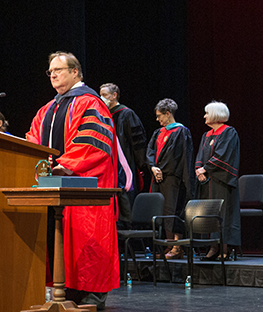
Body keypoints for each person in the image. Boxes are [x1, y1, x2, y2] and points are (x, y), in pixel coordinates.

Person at [26, 51, 118, 310]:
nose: (53, 74)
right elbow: (33, 140)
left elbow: (95, 142)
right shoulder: (48, 109)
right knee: (57, 237)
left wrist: (63, 166)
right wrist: (35, 164)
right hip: (52, 186)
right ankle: (62, 287)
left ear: (75, 72)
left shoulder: (90, 103)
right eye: (50, 71)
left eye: (59, 69)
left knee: (87, 239)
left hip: (85, 184)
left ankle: (93, 292)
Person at [147, 98, 194, 259]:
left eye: (160, 115)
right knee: (162, 211)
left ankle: (177, 247)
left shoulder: (181, 131)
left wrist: (162, 169)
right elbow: (150, 152)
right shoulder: (158, 133)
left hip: (173, 179)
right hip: (158, 177)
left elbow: (178, 158)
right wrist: (153, 167)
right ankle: (167, 246)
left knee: (173, 210)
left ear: (168, 114)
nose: (157, 119)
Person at [195, 101, 241, 259]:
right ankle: (212, 246)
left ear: (215, 114)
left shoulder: (228, 132)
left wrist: (205, 169)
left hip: (221, 180)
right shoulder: (206, 135)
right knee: (209, 212)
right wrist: (198, 169)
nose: (204, 116)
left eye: (207, 113)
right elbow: (200, 156)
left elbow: (223, 155)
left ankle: (224, 248)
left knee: (222, 213)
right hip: (207, 181)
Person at [100, 83, 149, 229]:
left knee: (126, 200)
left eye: (104, 95)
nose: (101, 98)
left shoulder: (127, 114)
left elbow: (138, 142)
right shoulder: (104, 116)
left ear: (114, 95)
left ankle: (129, 234)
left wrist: (141, 165)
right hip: (110, 166)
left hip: (125, 164)